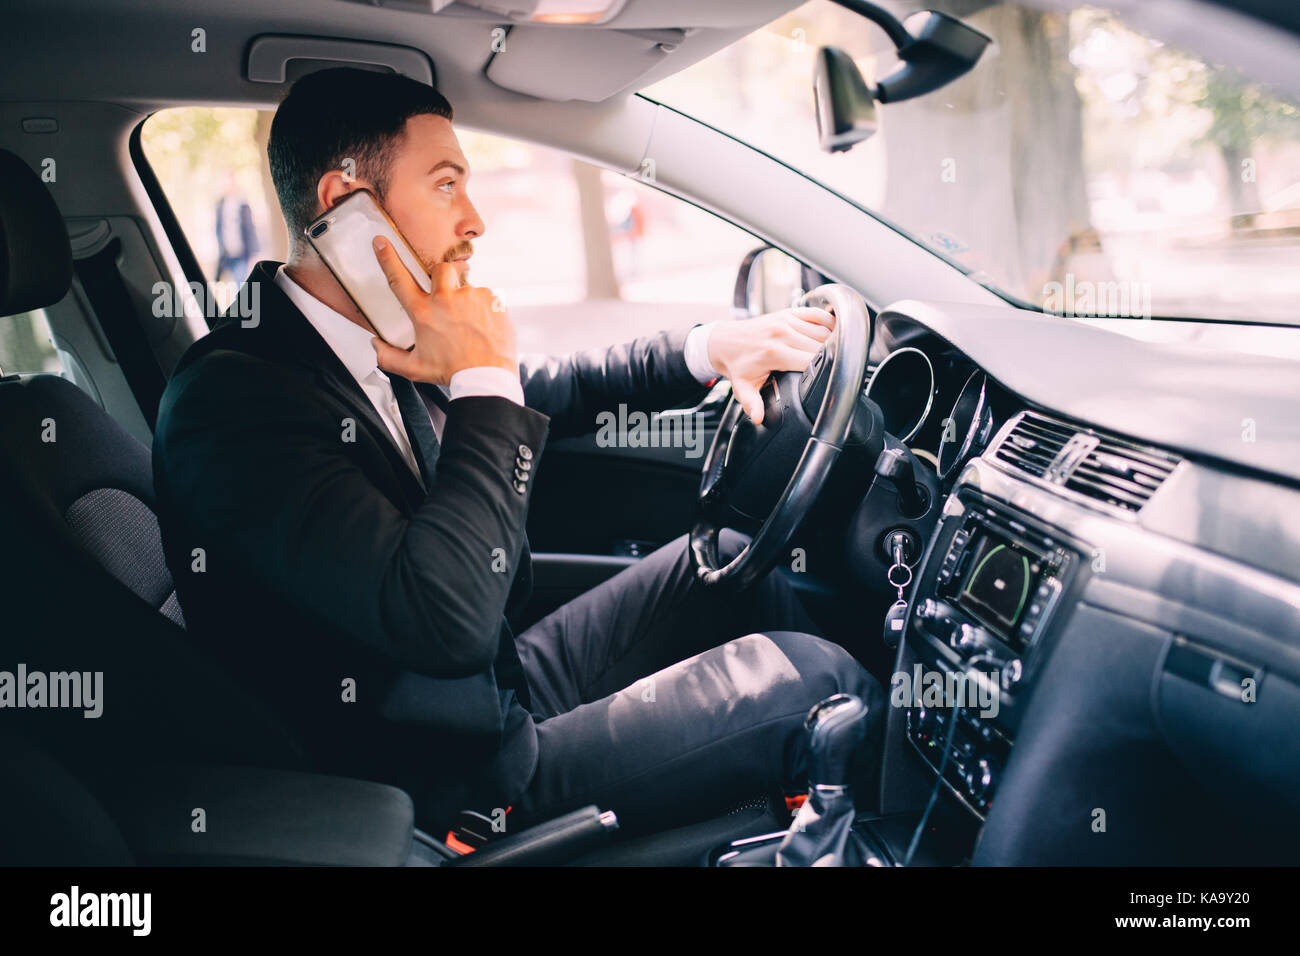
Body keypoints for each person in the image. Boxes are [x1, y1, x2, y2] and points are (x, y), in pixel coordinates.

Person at [153, 67, 882, 839]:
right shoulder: (232, 407)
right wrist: (482, 378)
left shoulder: (369, 339)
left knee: (733, 568)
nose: (474, 220)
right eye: (444, 186)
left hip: (487, 696)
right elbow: (443, 620)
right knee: (818, 684)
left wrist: (709, 349)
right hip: (442, 782)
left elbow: (556, 388)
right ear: (345, 204)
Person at [213, 169, 259, 282]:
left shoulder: (242, 204)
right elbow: (218, 230)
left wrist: (254, 253)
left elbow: (250, 229)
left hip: (241, 253)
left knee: (240, 282)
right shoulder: (220, 205)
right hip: (227, 254)